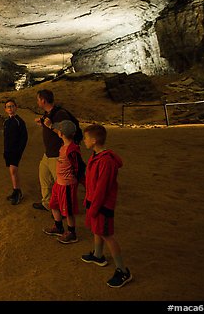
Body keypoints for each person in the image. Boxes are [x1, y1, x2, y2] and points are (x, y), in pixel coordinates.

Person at [80, 123, 132, 288]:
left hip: (102, 205)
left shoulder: (106, 162)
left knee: (107, 234)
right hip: (94, 202)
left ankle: (123, 271)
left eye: (86, 138)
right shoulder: (96, 156)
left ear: (94, 140)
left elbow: (102, 189)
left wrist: (93, 208)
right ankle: (98, 255)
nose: (84, 140)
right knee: (98, 230)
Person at [42, 120, 82, 243]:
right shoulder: (64, 147)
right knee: (54, 205)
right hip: (59, 183)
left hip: (67, 184)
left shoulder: (72, 149)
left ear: (61, 133)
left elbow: (78, 167)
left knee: (68, 210)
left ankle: (71, 232)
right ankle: (58, 227)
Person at [32, 89, 71, 211]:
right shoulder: (48, 113)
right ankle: (48, 204)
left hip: (58, 155)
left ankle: (63, 209)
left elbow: (67, 132)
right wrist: (43, 123)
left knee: (60, 183)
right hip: (48, 153)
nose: (37, 102)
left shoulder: (60, 114)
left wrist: (50, 126)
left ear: (43, 100)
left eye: (38, 99)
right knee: (44, 178)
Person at [2, 99, 28, 205]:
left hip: (15, 151)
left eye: (12, 106)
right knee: (12, 171)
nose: (10, 108)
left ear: (16, 107)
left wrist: (19, 151)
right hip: (8, 150)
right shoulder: (6, 122)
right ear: (5, 109)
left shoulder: (19, 122)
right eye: (8, 106)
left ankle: (17, 193)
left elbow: (24, 138)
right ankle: (15, 190)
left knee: (13, 171)